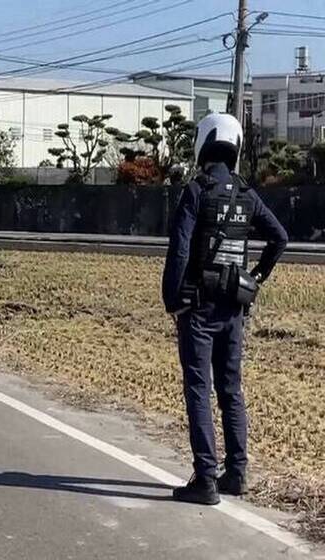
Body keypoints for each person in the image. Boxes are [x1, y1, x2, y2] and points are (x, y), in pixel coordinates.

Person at [162, 113, 288, 506]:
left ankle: (205, 479)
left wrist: (173, 299)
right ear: (234, 145)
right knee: (230, 389)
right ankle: (237, 471)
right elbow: (279, 238)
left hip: (198, 308)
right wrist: (255, 279)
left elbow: (180, 248)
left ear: (203, 143)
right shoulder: (247, 194)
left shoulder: (197, 191)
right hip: (234, 309)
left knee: (198, 390)